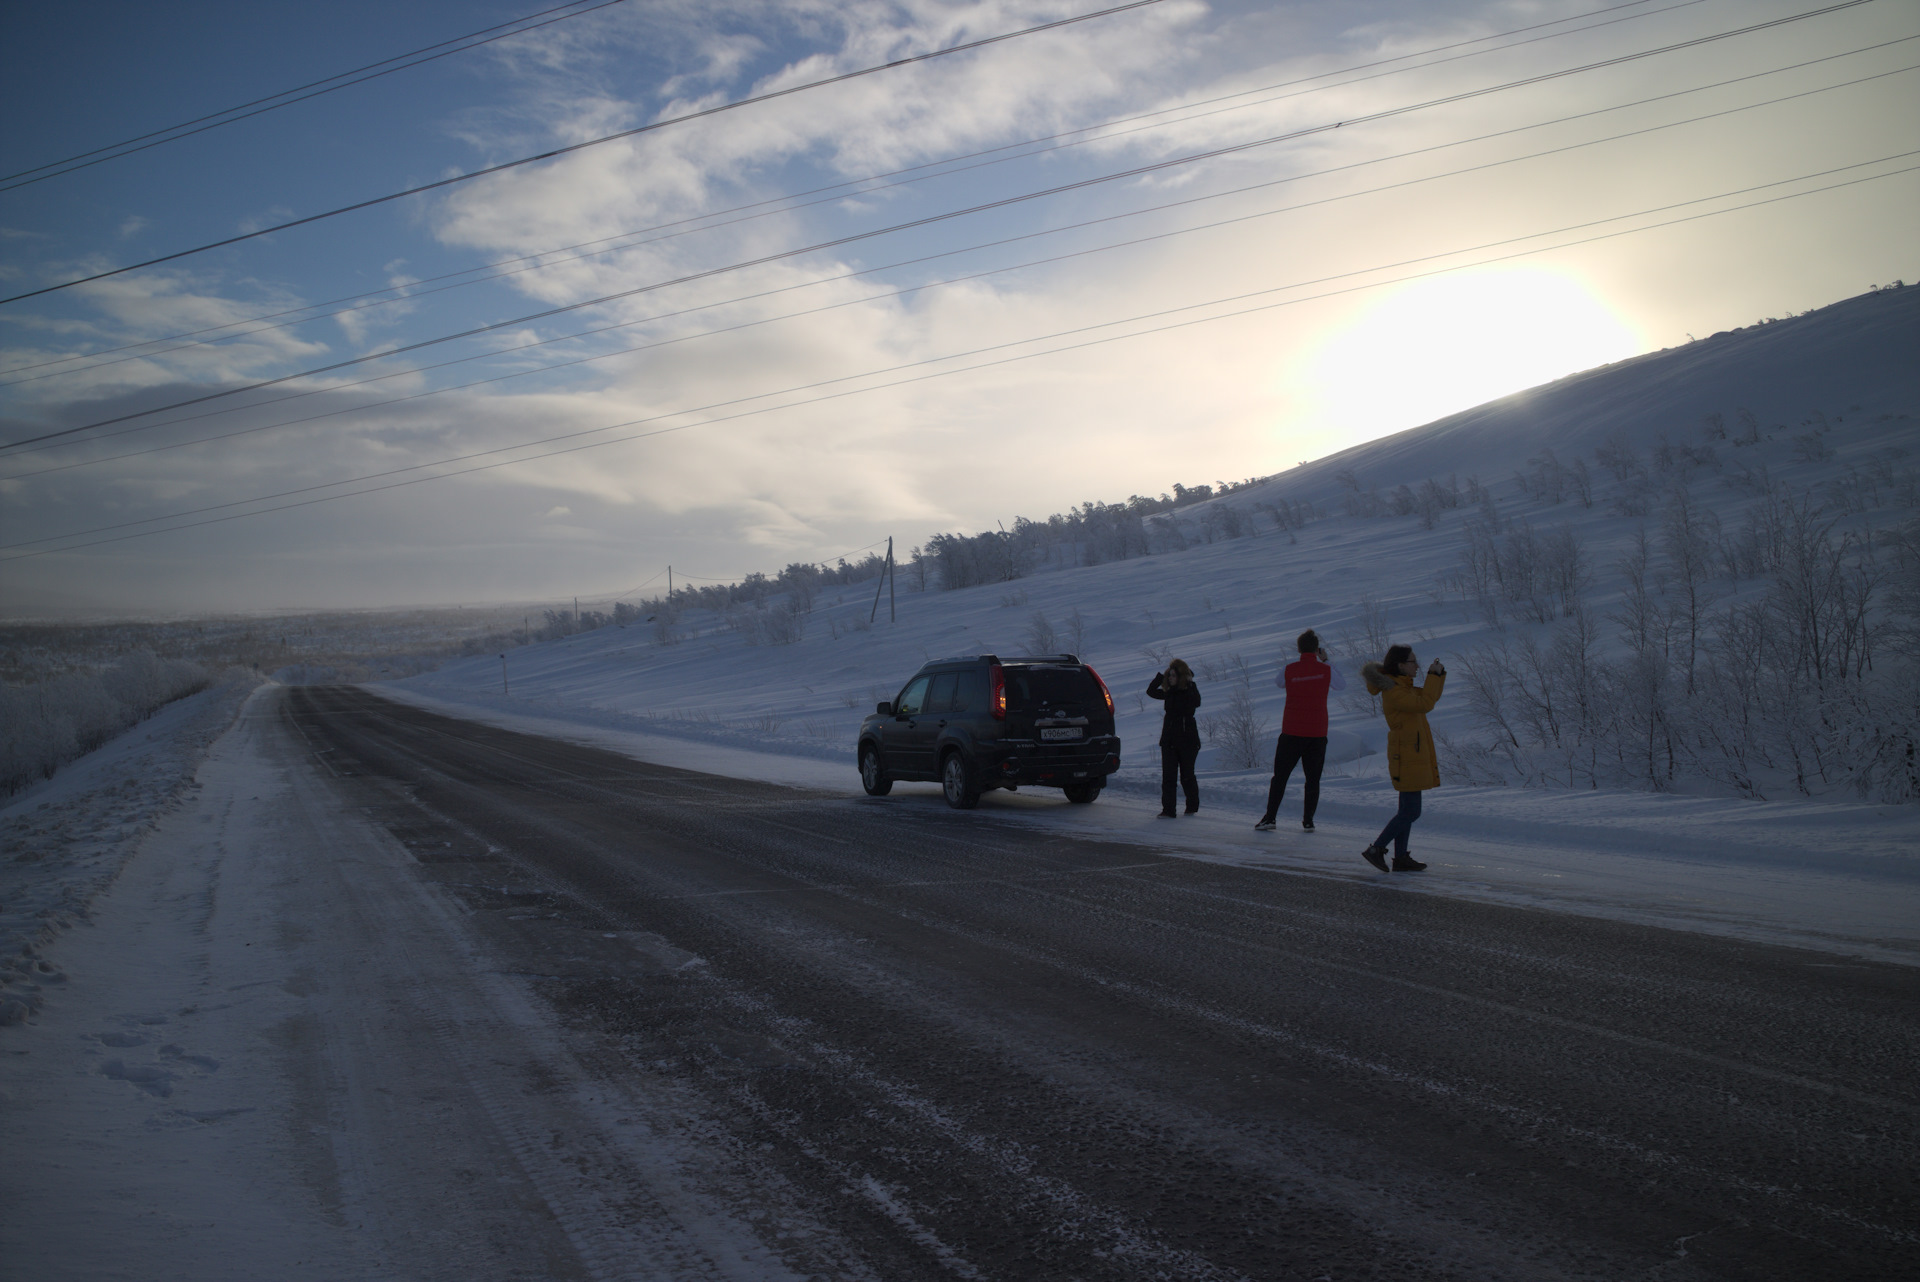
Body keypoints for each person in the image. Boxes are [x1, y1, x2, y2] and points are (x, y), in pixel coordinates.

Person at [1358, 644, 1446, 872]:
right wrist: (1433, 676)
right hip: (1406, 757)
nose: (1417, 666)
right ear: (1400, 665)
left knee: (1406, 811)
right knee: (1411, 812)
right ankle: (1376, 849)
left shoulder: (1403, 687)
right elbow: (1425, 704)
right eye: (1412, 662)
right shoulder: (1395, 691)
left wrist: (1437, 676)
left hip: (1410, 755)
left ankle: (1400, 857)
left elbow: (1428, 698)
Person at [1255, 629, 1346, 832]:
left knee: (1280, 777)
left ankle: (1270, 818)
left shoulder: (1289, 669)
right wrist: (1327, 661)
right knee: (1312, 779)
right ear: (1316, 649)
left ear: (1298, 649)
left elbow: (1278, 683)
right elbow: (1341, 686)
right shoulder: (1326, 671)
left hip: (1292, 731)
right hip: (1317, 732)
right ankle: (1308, 821)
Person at [1146, 659, 1201, 817]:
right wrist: (1160, 677)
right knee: (1168, 777)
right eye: (1169, 675)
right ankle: (1168, 810)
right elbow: (1150, 691)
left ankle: (1192, 807)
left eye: (1173, 675)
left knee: (1187, 776)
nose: (1170, 678)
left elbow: (1196, 702)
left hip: (1187, 741)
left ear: (1181, 676)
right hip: (1169, 741)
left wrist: (1189, 682)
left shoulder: (1190, 690)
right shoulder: (1168, 691)